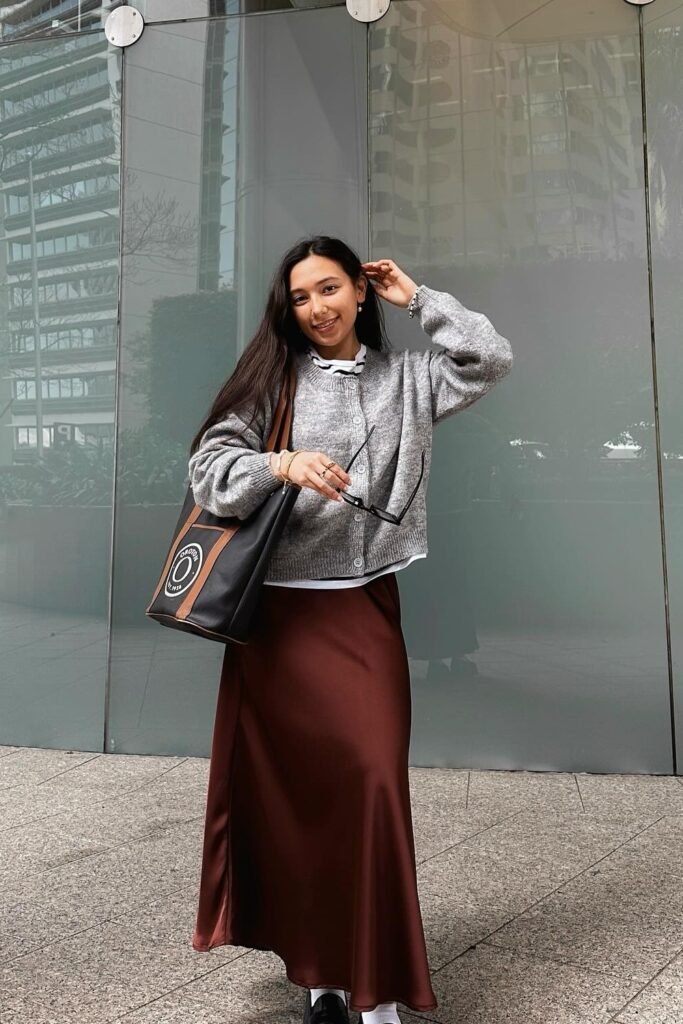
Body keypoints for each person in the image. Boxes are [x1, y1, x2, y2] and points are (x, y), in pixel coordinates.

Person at [187, 235, 513, 1024]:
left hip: (362, 610)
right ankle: (323, 978)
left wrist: (418, 298)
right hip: (278, 625)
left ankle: (378, 989)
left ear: (359, 292)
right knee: (300, 803)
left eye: (330, 289)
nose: (316, 308)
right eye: (300, 297)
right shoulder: (274, 381)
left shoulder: (407, 378)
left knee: (372, 786)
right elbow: (209, 473)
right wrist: (280, 464)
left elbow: (489, 358)